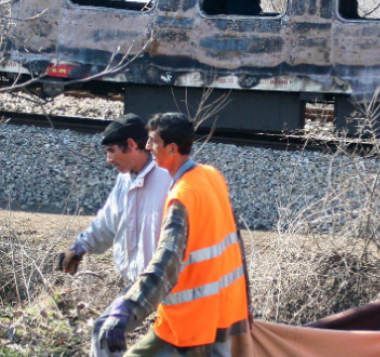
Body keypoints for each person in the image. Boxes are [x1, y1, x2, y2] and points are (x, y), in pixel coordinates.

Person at [98, 113, 250, 356]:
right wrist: (246, 305)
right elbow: (235, 244)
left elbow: (165, 262)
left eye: (153, 141)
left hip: (190, 323)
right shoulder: (211, 176)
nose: (148, 147)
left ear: (171, 148)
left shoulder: (182, 196)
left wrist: (128, 308)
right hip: (223, 313)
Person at [56, 114, 171, 357]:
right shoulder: (125, 180)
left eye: (111, 151)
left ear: (131, 145)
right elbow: (107, 222)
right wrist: (79, 247)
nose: (108, 160)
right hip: (141, 284)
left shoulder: (168, 178)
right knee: (105, 333)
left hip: (170, 284)